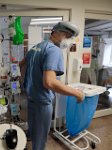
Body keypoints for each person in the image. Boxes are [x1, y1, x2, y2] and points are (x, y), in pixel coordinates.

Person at [21, 21, 85, 150]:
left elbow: (22, 64)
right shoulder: (54, 50)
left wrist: (28, 82)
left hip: (32, 99)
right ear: (55, 33)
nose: (68, 41)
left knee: (34, 133)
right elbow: (49, 82)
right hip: (42, 103)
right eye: (66, 36)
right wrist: (77, 93)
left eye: (70, 37)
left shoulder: (36, 47)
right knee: (39, 143)